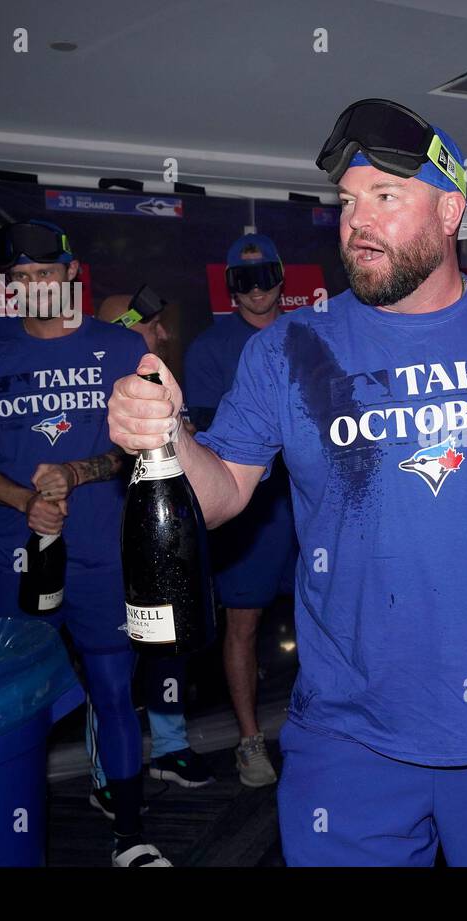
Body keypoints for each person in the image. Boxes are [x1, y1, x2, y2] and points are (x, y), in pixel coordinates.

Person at [107, 98, 467, 866]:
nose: (355, 221)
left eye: (386, 197)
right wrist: (164, 440)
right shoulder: (293, 346)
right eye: (346, 201)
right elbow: (219, 490)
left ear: (450, 209)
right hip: (348, 733)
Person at [0, 220, 170, 866]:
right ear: (7, 287)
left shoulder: (122, 348)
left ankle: (131, 835)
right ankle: (3, 837)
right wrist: (26, 500)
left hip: (103, 547)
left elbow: (153, 448)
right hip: (19, 549)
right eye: (19, 278)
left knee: (113, 687)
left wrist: (76, 473)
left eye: (45, 273)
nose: (33, 286)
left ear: (71, 274)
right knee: (14, 701)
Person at [87, 291, 214, 795]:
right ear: (124, 327)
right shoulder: (101, 382)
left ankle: (168, 746)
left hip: (163, 539)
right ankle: (107, 778)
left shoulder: (155, 379)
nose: (163, 334)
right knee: (111, 669)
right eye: (151, 325)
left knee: (171, 643)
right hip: (103, 544)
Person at [183, 234, 296, 788]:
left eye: (264, 276)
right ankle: (250, 739)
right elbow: (203, 442)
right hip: (249, 509)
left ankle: (329, 729)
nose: (255, 290)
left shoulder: (309, 335)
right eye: (242, 280)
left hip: (311, 504)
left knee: (333, 617)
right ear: (229, 287)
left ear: (281, 278)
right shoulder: (210, 348)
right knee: (244, 625)